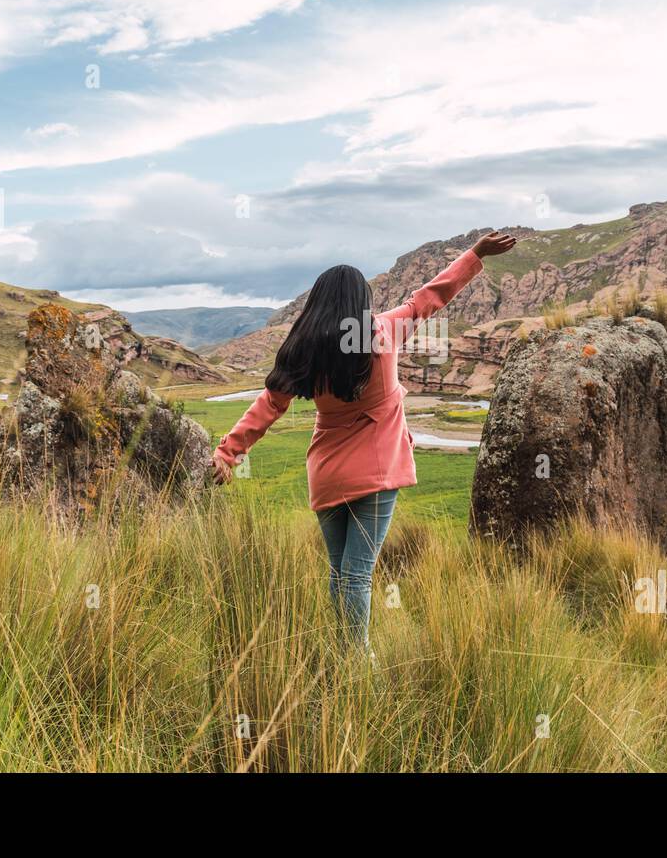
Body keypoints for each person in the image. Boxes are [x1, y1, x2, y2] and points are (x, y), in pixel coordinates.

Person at [212, 231, 517, 652]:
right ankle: (357, 662)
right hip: (376, 473)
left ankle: (341, 655)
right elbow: (428, 298)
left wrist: (228, 452)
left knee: (340, 573)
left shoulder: (304, 352)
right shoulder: (384, 333)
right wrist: (476, 254)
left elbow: (269, 406)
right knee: (358, 575)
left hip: (328, 475)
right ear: (362, 303)